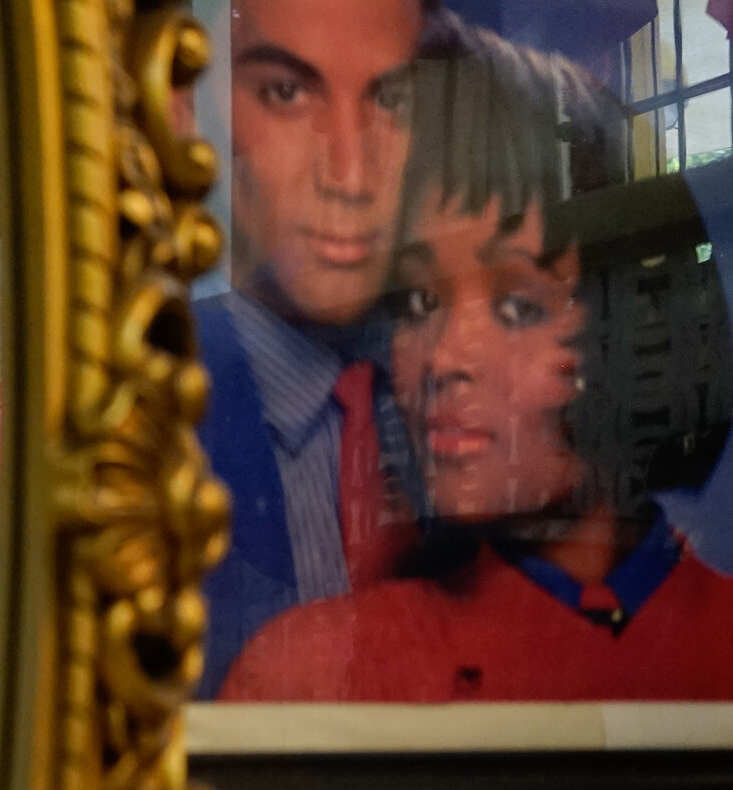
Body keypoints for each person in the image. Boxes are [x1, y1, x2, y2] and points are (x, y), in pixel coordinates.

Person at [222, 36, 733, 701]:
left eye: (519, 306)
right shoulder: (309, 674)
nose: (443, 358)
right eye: (417, 301)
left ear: (632, 326)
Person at [194, 0, 445, 695]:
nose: (349, 169)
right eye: (287, 92)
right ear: (215, 128)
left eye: (389, 99)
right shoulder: (156, 394)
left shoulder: (449, 385)